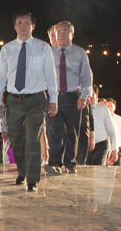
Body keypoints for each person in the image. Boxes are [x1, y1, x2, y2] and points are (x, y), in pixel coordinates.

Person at [0, 10, 58, 192]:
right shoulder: (7, 49)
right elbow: (0, 78)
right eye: (19, 23)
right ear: (14, 26)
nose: (23, 26)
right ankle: (22, 172)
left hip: (37, 99)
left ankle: (33, 179)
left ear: (33, 26)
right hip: (13, 100)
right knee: (17, 139)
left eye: (26, 22)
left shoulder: (43, 47)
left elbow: (51, 76)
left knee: (33, 138)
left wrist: (54, 99)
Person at [45, 21, 93, 175]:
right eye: (59, 31)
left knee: (72, 132)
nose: (62, 34)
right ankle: (55, 162)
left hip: (74, 97)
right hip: (54, 96)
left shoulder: (80, 53)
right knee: (55, 132)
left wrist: (84, 96)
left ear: (72, 34)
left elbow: (87, 77)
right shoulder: (48, 52)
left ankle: (70, 162)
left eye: (65, 31)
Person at [86, 85, 118, 166]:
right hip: (85, 145)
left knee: (98, 171)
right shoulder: (80, 109)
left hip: (100, 145)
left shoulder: (103, 109)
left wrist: (114, 149)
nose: (89, 95)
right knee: (84, 172)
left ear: (96, 95)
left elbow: (111, 130)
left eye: (91, 93)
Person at [106, 98, 121, 166]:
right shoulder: (103, 119)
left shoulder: (120, 119)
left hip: (116, 146)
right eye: (107, 105)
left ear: (115, 107)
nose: (109, 107)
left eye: (111, 105)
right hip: (105, 146)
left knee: (116, 167)